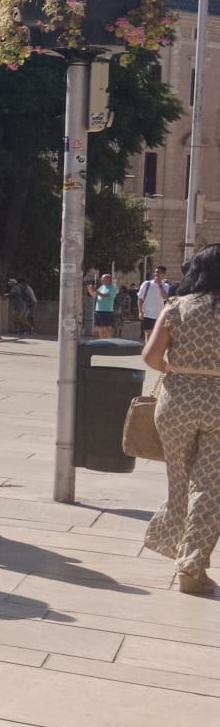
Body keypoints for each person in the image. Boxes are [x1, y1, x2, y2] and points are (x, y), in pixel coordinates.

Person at [143, 244, 220, 593]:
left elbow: (152, 356)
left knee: (179, 481)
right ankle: (192, 565)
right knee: (209, 488)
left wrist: (181, 372)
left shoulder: (176, 307)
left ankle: (168, 541)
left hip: (176, 403)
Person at [141, 267, 173, 339]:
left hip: (160, 316)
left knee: (158, 337)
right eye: (155, 272)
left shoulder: (166, 286)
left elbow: (165, 297)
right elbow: (140, 298)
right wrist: (140, 311)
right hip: (148, 315)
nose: (156, 274)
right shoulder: (146, 284)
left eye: (159, 272)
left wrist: (159, 285)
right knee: (148, 336)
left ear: (163, 274)